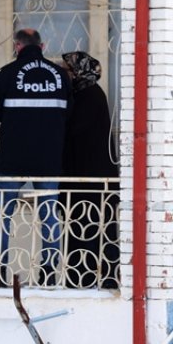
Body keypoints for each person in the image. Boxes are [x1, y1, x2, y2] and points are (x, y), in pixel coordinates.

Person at [0, 28, 72, 287]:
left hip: (13, 157)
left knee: (2, 215)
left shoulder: (7, 73)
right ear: (42, 46)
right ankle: (48, 272)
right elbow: (69, 113)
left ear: (17, 46)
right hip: (48, 158)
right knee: (49, 214)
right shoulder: (60, 75)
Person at [59, 51, 120, 289]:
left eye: (67, 70)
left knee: (89, 230)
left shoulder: (90, 96)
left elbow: (73, 132)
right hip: (84, 179)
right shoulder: (84, 95)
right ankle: (82, 276)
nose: (64, 74)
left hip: (89, 181)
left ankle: (88, 278)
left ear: (78, 71)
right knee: (83, 229)